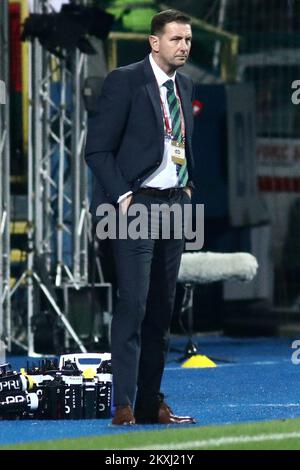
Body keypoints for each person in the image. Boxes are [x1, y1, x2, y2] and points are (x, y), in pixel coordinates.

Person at [85, 9, 196, 425]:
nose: (183, 46)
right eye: (175, 39)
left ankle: (152, 402)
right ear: (154, 42)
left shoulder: (185, 85)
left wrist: (188, 187)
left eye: (187, 40)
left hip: (175, 205)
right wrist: (124, 196)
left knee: (162, 309)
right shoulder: (125, 81)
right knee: (133, 304)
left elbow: (180, 143)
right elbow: (96, 150)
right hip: (136, 207)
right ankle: (124, 404)